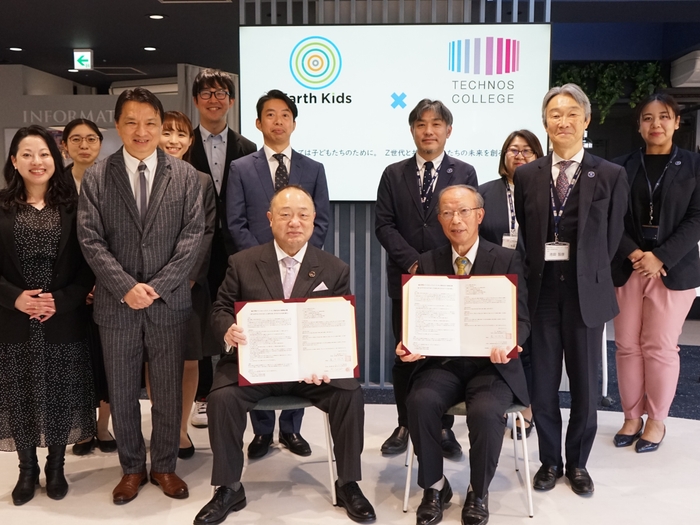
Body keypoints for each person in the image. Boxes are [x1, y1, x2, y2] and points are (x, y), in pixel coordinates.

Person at [194, 185, 376, 525]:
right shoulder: (243, 262)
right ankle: (228, 487)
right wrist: (227, 329)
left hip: (310, 371)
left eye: (303, 215)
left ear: (314, 219)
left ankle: (348, 483)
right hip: (256, 365)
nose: (295, 222)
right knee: (222, 399)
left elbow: (339, 322)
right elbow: (220, 308)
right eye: (285, 214)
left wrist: (328, 359)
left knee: (349, 394)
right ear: (270, 219)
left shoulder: (334, 268)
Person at [78, 88, 204, 504]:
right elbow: (90, 239)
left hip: (168, 304)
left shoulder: (185, 176)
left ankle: (164, 465)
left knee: (167, 391)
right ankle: (131, 467)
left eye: (150, 122)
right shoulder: (98, 176)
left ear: (160, 125)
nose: (141, 131)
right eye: (131, 122)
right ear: (118, 125)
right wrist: (125, 287)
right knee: (122, 390)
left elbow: (192, 238)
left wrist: (158, 287)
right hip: (117, 305)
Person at [514, 83, 629, 495]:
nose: (562, 121)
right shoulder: (527, 175)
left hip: (586, 295)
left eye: (571, 114)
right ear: (545, 123)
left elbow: (613, 237)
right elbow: (526, 233)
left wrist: (587, 272)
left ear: (586, 120)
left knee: (584, 386)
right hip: (542, 294)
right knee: (543, 385)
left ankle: (577, 463)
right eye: (554, 114)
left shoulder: (610, 174)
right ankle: (550, 461)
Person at [397, 185, 530, 525]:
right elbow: (418, 318)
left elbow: (522, 320)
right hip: (443, 364)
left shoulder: (505, 259)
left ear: (479, 215)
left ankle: (478, 491)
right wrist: (408, 343)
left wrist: (511, 343)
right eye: (447, 213)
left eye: (463, 211)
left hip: (491, 366)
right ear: (440, 219)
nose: (456, 220)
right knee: (420, 402)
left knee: (485, 412)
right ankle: (434, 487)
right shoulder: (428, 262)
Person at [227, 89, 331, 459]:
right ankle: (261, 431)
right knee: (261, 347)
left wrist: (297, 260)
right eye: (270, 115)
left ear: (294, 123)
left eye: (285, 114)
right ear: (258, 123)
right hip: (255, 276)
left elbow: (320, 222)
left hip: (301, 274)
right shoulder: (241, 168)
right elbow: (235, 223)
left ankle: (291, 428)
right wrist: (263, 263)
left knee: (300, 346)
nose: (278, 121)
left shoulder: (313, 169)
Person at [375, 99, 478, 457]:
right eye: (421, 124)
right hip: (406, 280)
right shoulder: (393, 174)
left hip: (451, 281)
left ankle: (443, 428)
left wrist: (434, 265)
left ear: (448, 130)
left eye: (436, 124)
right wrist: (414, 263)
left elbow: (467, 225)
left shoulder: (464, 172)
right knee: (406, 353)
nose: (428, 131)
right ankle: (405, 423)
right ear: (412, 130)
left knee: (445, 354)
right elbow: (384, 225)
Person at [0, 125, 95, 505]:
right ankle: (26, 469)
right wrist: (14, 298)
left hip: (62, 317)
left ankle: (56, 467)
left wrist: (61, 300)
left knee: (60, 393)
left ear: (55, 160)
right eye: (27, 154)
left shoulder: (75, 207)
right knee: (19, 393)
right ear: (14, 161)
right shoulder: (1, 207)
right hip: (13, 319)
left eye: (43, 154)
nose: (36, 161)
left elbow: (88, 268)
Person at [610, 93, 700, 453]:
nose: (656, 124)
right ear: (639, 126)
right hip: (628, 265)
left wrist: (660, 257)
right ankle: (632, 416)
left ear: (676, 122)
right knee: (626, 346)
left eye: (664, 117)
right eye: (648, 118)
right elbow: (610, 217)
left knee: (660, 346)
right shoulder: (621, 167)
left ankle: (657, 420)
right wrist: (634, 252)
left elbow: (697, 219)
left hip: (672, 269)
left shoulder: (694, 166)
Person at [189, 68, 257, 430]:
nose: (213, 100)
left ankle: (240, 385)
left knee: (236, 315)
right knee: (200, 317)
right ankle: (202, 395)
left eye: (220, 94)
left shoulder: (246, 147)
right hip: (195, 248)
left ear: (231, 101)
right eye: (206, 94)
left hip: (236, 247)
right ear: (196, 101)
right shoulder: (183, 146)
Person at [151, 110, 216, 459]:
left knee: (190, 359)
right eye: (167, 132)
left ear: (190, 141)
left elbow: (206, 232)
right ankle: (161, 427)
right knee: (154, 359)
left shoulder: (202, 181)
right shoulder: (141, 178)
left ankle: (179, 429)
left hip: (189, 285)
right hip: (147, 288)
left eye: (181, 134)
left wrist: (186, 277)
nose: (173, 140)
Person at [478, 129, 544, 439]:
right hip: (493, 284)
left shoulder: (545, 192)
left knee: (529, 347)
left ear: (538, 156)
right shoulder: (484, 193)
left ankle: (527, 409)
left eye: (527, 150)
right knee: (497, 346)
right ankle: (499, 404)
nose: (519, 155)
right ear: (504, 156)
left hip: (535, 281)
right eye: (513, 150)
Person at [61, 118, 117, 456]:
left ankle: (102, 426)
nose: (84, 145)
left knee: (106, 358)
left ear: (100, 143)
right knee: (76, 359)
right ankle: (81, 427)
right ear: (65, 145)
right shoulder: (56, 184)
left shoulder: (111, 179)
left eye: (91, 139)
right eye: (76, 139)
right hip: (68, 285)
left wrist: (103, 280)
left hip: (106, 284)